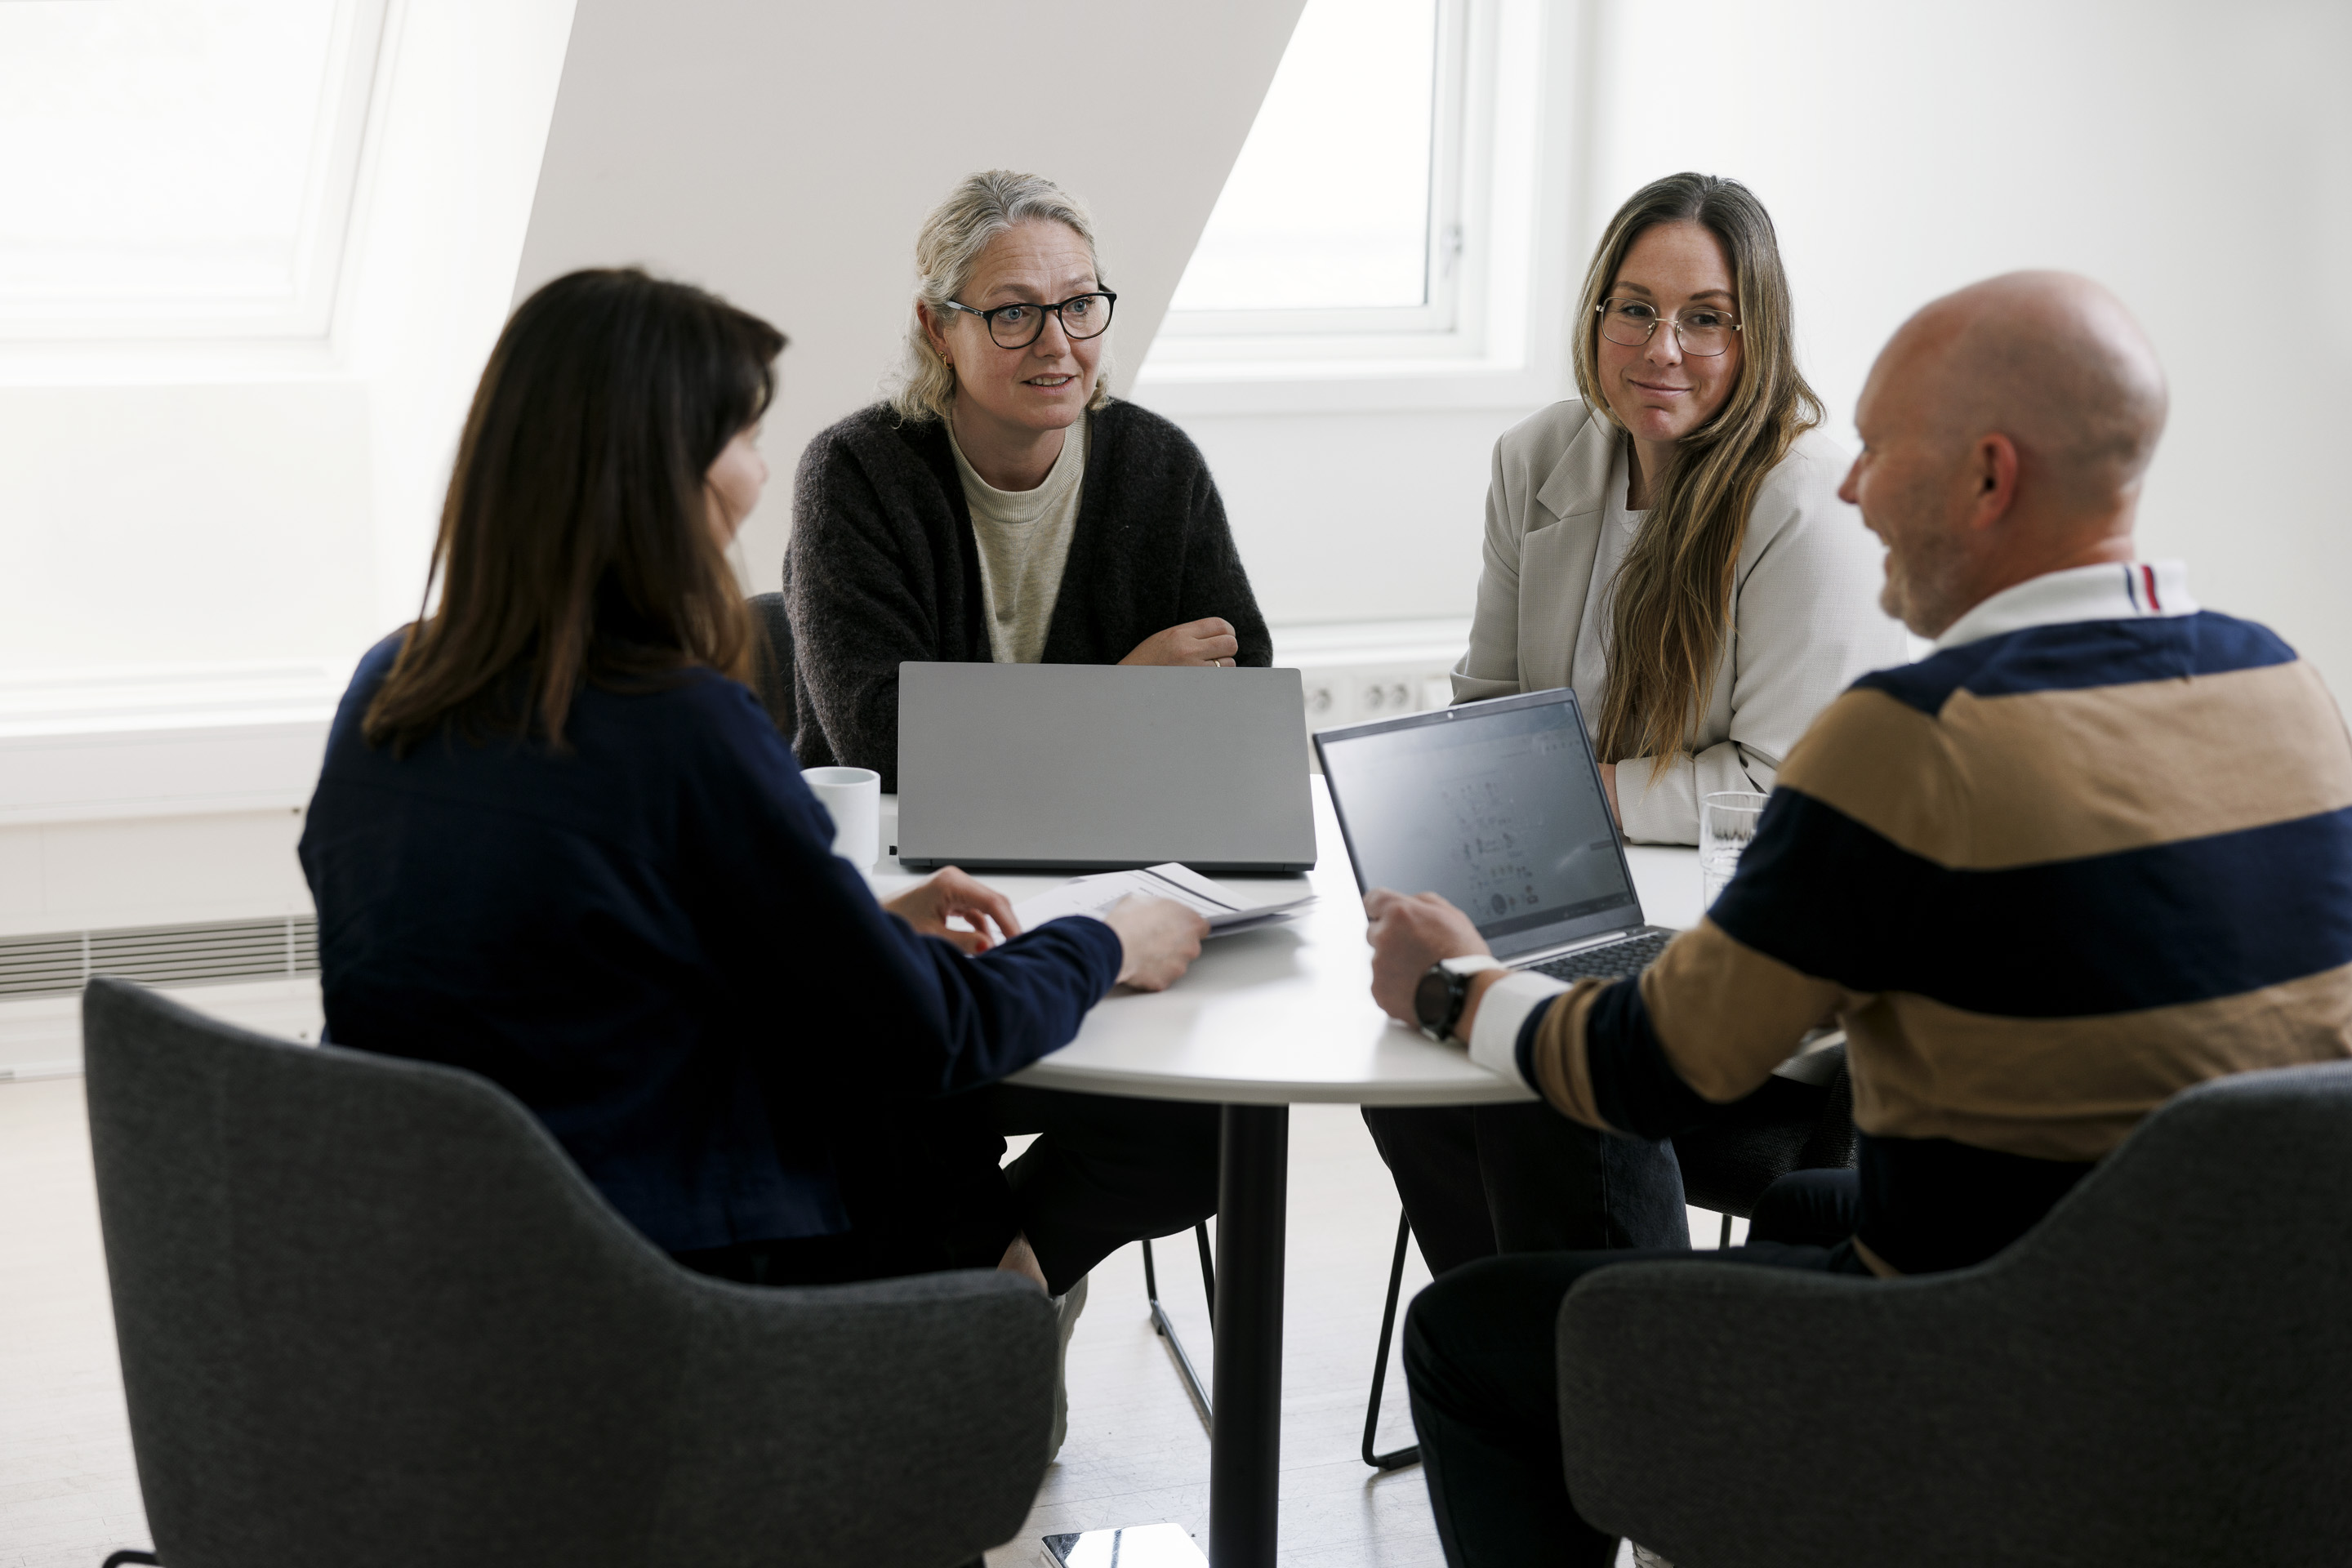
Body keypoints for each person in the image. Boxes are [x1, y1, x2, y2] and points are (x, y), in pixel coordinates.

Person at [1369, 270, 2352, 1566]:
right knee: (1800, 1205)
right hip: (2254, 1348)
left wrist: (1453, 989)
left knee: (1469, 1337)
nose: (1848, 488)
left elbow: (1658, 1069)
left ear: (1989, 479)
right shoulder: (2284, 684)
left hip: (1988, 1364)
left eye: (1881, 451)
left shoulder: (1912, 740)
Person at [298, 270, 1210, 1349]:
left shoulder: (389, 684)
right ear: (662, 476)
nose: (759, 472)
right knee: (1064, 1115)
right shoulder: (677, 721)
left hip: (441, 1266)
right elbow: (928, 1033)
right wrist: (1104, 942)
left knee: (911, 1097)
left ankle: (989, 1311)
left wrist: (857, 930)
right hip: (679, 1294)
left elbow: (560, 962)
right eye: (742, 437)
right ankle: (992, 1319)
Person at [1366, 173, 1906, 1280]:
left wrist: (1574, 794)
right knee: (1406, 1044)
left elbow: (1783, 790)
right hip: (1568, 903)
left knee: (1527, 1053)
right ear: (1595, 318)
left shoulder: (1807, 503)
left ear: (1755, 335)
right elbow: (1491, 709)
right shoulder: (1540, 459)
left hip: (1752, 986)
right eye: (1635, 307)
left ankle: (1610, 1384)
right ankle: (1518, 1352)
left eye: (1705, 318)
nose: (1663, 346)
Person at [786, 169, 1272, 791]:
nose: (1058, 344)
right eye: (1014, 313)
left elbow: (1243, 695)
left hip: (1114, 832)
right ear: (939, 328)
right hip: (907, 858)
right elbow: (889, 744)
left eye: (1079, 305)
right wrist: (1120, 696)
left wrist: (1005, 729)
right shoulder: (854, 473)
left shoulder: (1160, 463)